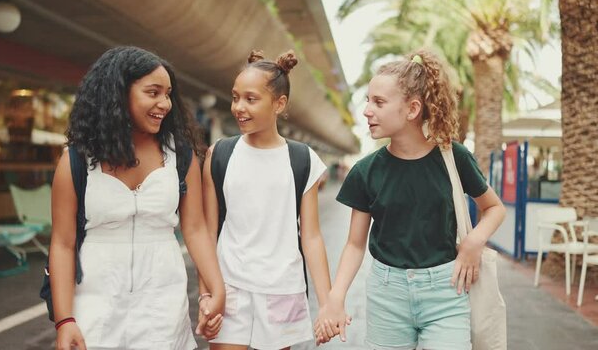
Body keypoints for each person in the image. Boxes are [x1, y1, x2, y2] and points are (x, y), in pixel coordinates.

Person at [315, 50, 506, 350]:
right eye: (367, 100)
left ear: (412, 109)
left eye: (378, 102)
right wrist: (335, 298)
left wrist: (473, 242)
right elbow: (354, 244)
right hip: (386, 294)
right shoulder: (365, 172)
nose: (366, 110)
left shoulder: (454, 158)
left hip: (448, 290)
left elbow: (494, 208)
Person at [49, 46, 225, 350]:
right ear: (119, 94)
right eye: (153, 92)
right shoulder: (76, 161)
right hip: (95, 307)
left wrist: (215, 288)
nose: (165, 104)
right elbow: (63, 244)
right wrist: (65, 321)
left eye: (168, 94)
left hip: (164, 307)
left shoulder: (181, 157)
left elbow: (194, 229)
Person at [198, 50, 332, 350]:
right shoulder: (219, 154)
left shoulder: (302, 159)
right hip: (229, 285)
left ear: (279, 104)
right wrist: (205, 293)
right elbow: (207, 231)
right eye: (235, 98)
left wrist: (327, 303)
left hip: (282, 290)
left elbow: (311, 237)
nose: (238, 108)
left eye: (250, 99)